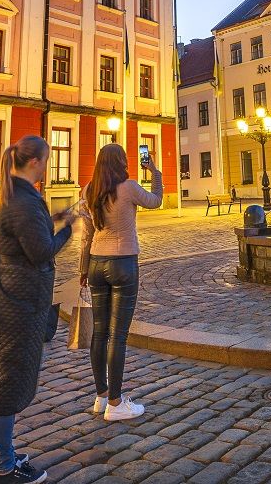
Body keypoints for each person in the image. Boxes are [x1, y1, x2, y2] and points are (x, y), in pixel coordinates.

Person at [0, 135, 76, 483]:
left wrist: (54, 217)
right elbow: (41, 251)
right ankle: (4, 468)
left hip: (2, 294)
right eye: (45, 161)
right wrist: (69, 230)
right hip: (21, 302)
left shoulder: (7, 195)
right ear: (34, 162)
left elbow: (21, 236)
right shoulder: (25, 202)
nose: (47, 166)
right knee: (9, 380)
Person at [79, 143, 163, 421]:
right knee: (118, 335)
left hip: (96, 264)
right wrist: (154, 171)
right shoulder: (128, 187)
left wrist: (83, 268)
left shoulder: (89, 190)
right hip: (123, 264)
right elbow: (155, 200)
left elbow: (86, 235)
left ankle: (101, 397)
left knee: (99, 332)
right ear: (122, 162)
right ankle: (116, 404)